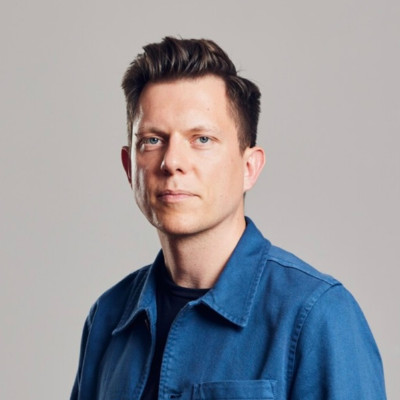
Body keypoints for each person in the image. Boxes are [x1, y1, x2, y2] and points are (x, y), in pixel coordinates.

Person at [70, 37, 386, 400]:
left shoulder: (318, 315)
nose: (172, 162)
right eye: (153, 140)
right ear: (129, 168)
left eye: (202, 139)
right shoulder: (107, 317)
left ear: (249, 167)